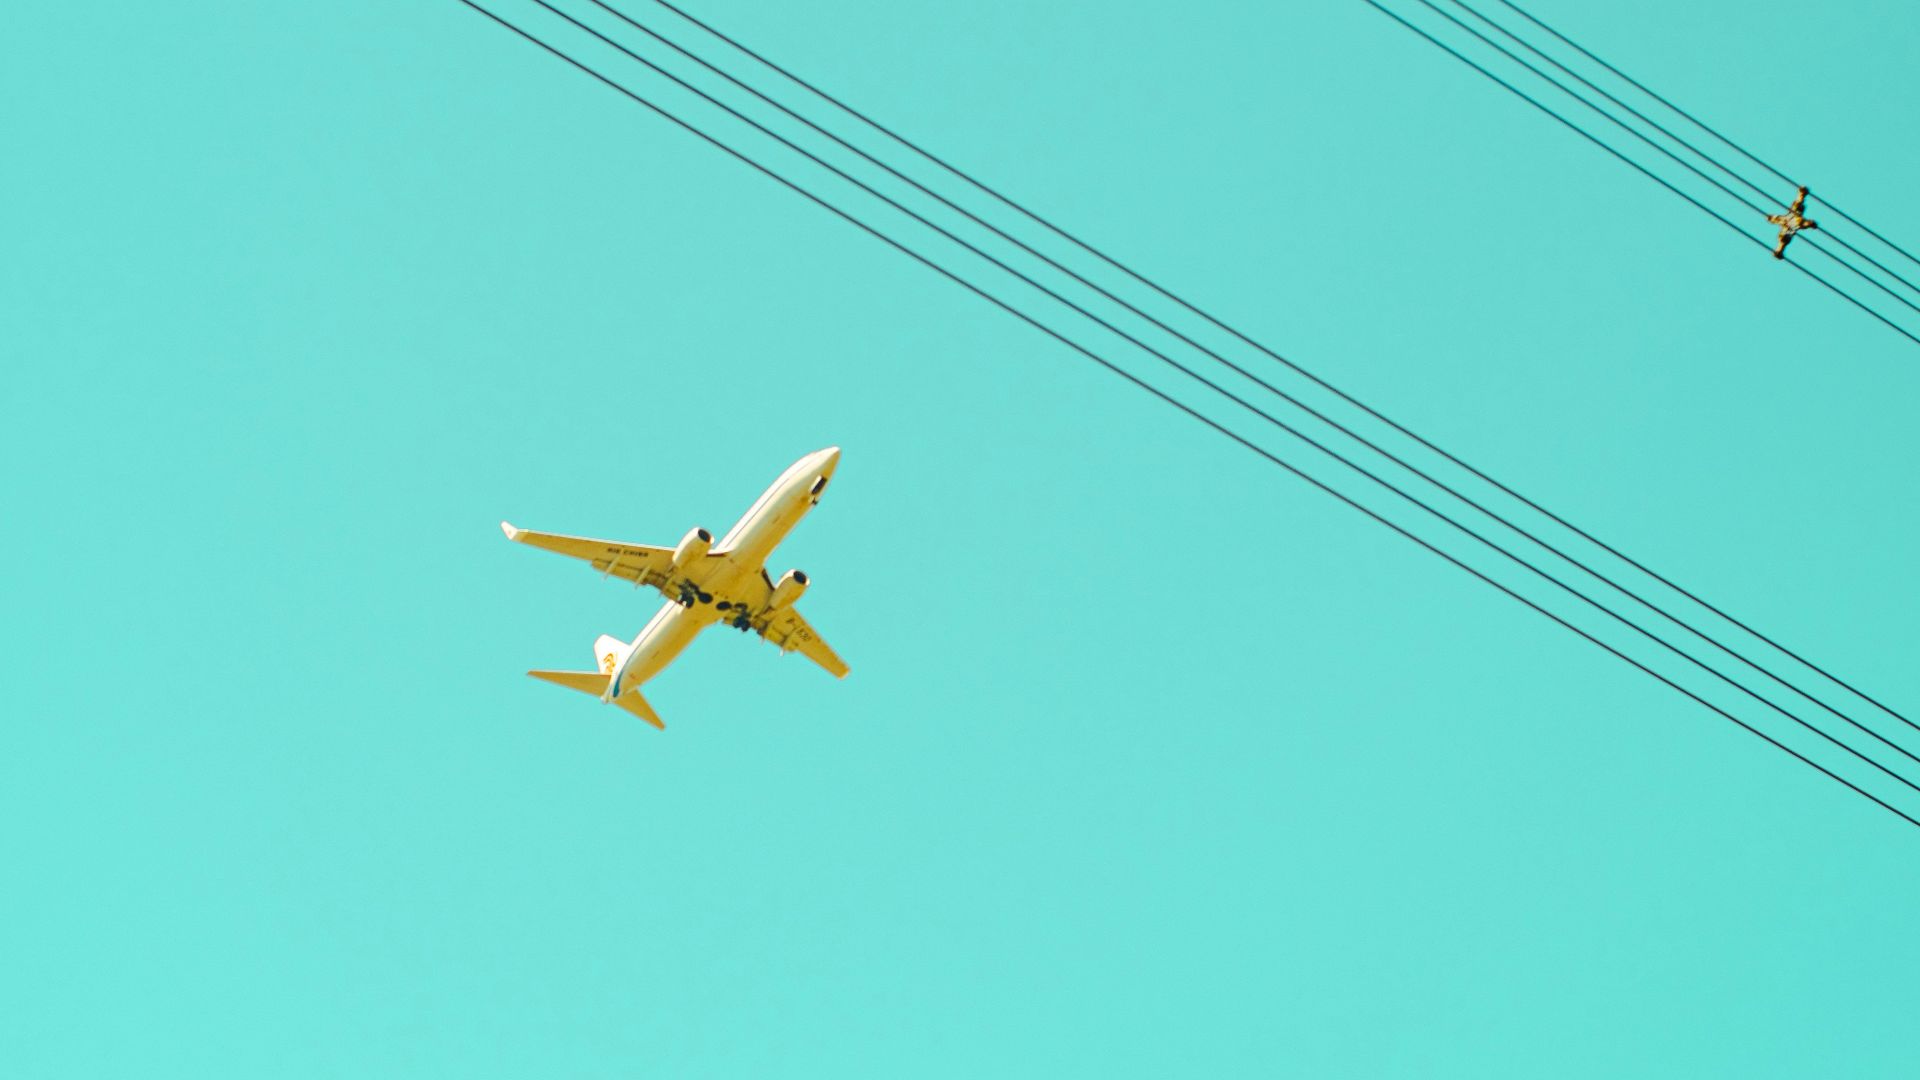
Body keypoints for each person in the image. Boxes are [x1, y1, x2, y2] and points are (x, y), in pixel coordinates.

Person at [1767, 186, 1817, 259]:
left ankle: (1801, 194)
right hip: (1791, 224)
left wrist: (1772, 218)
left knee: (1797, 207)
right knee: (1784, 239)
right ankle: (1778, 251)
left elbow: (1775, 218)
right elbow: (1775, 219)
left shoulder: (1781, 218)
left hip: (1793, 221)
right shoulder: (1781, 219)